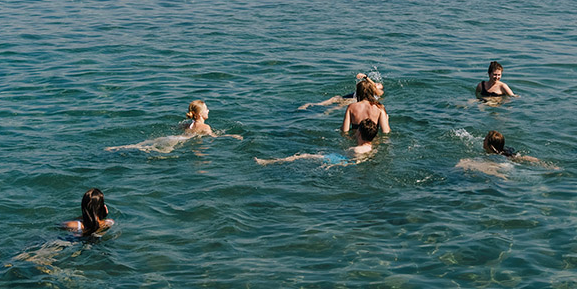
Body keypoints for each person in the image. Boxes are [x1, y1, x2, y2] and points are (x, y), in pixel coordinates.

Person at [105, 100, 241, 153]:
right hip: (180, 141)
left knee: (144, 143)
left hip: (172, 137)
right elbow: (215, 137)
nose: (209, 111)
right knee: (158, 151)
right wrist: (232, 136)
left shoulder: (188, 123)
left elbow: (176, 128)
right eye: (206, 109)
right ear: (200, 114)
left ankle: (117, 148)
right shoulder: (205, 127)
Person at [256, 118, 379, 165]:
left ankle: (269, 161)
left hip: (340, 160)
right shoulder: (372, 148)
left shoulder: (355, 149)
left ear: (359, 133)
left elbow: (343, 156)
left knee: (302, 156)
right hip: (349, 161)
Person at [299, 72, 384, 110]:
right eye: (376, 83)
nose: (376, 84)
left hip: (354, 99)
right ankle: (313, 104)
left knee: (342, 104)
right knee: (335, 98)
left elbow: (373, 86)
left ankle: (329, 110)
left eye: (378, 85)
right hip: (352, 96)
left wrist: (365, 77)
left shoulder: (379, 93)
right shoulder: (367, 87)